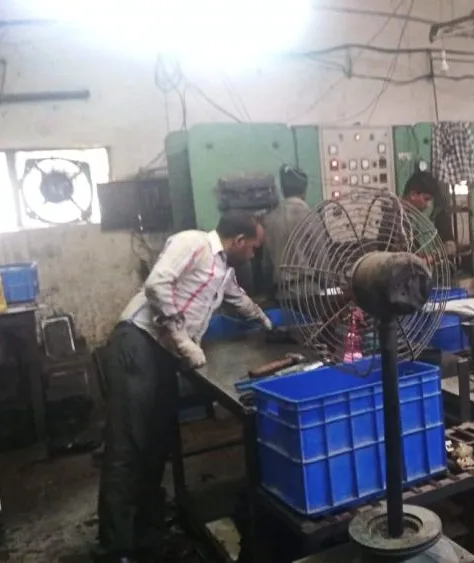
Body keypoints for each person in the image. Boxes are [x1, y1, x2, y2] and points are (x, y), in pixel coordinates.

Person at [97, 209, 272, 563]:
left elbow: (237, 298)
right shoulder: (193, 243)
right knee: (128, 448)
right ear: (239, 241)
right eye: (253, 248)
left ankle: (147, 539)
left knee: (155, 446)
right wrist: (181, 338)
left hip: (163, 355)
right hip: (138, 343)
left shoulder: (224, 270)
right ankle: (116, 550)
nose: (254, 255)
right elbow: (157, 284)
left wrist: (265, 321)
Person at [261, 165, 324, 301]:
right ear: (304, 189)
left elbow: (266, 265)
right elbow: (321, 258)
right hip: (310, 294)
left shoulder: (270, 219)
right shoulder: (310, 216)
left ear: (282, 190)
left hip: (282, 295)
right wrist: (333, 287)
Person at [401, 170, 457, 257]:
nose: (428, 205)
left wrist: (431, 257)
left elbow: (451, 246)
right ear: (413, 195)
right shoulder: (393, 215)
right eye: (426, 199)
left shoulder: (437, 211)